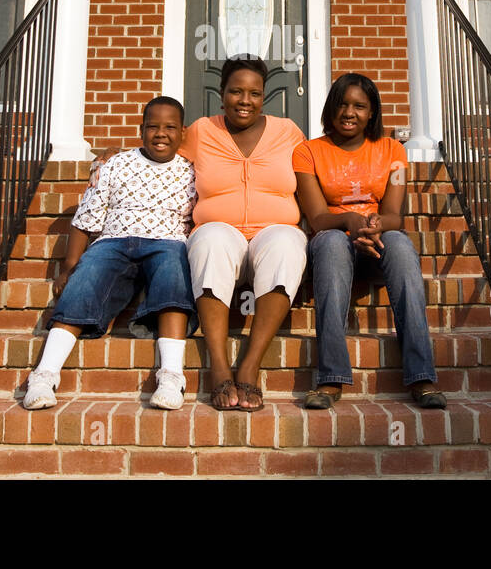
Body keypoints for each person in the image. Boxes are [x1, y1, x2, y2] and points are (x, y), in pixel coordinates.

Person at [20, 96, 197, 411]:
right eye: (153, 126)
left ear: (182, 132)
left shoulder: (192, 173)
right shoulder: (114, 164)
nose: (161, 134)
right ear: (140, 130)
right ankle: (44, 375)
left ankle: (171, 374)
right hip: (114, 241)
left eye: (170, 127)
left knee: (173, 273)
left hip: (166, 242)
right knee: (87, 278)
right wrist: (70, 266)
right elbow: (86, 219)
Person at [293, 73, 445, 409]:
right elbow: (317, 218)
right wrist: (350, 221)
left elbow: (394, 214)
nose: (349, 112)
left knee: (402, 246)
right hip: (333, 236)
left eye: (359, 106)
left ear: (372, 112)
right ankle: (331, 376)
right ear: (330, 109)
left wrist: (374, 226)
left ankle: (422, 375)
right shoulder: (307, 152)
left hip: (377, 237)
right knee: (331, 243)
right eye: (343, 104)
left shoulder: (394, 151)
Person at [180, 55, 307, 411]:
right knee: (211, 238)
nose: (245, 100)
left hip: (273, 232)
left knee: (287, 242)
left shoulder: (288, 132)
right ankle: (219, 367)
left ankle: (249, 365)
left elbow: (314, 170)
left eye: (254, 93)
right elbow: (159, 153)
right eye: (236, 91)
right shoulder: (203, 131)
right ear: (221, 94)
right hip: (223, 233)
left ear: (264, 95)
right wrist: (112, 156)